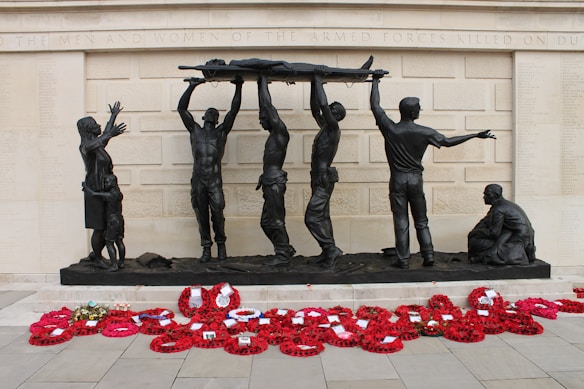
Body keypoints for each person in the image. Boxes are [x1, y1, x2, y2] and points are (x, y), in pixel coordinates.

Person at [370, 72, 496, 269]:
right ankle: (428, 255)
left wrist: (375, 81)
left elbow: (375, 107)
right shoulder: (424, 132)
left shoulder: (391, 129)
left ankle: (403, 260)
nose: (420, 110)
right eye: (418, 108)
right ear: (413, 113)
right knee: (421, 220)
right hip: (415, 180)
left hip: (397, 180)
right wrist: (474, 135)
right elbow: (448, 142)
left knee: (401, 221)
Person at [178, 77, 243, 263]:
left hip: (214, 180)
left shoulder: (221, 132)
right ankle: (206, 248)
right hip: (198, 179)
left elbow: (234, 110)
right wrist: (192, 86)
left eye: (215, 113)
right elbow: (181, 109)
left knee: (217, 214)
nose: (213, 113)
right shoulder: (194, 131)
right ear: (204, 117)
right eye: (210, 112)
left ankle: (221, 245)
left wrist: (238, 86)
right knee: (202, 215)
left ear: (217, 119)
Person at [305, 67, 346, 269]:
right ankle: (327, 252)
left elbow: (322, 104)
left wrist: (319, 80)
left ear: (335, 114)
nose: (326, 109)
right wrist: (314, 83)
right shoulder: (324, 126)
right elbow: (315, 108)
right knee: (323, 216)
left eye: (330, 109)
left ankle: (331, 249)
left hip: (323, 177)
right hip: (318, 176)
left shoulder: (333, 127)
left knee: (311, 217)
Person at [78, 102, 126, 270]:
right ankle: (97, 257)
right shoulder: (86, 147)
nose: (98, 126)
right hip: (94, 190)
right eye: (94, 125)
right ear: (88, 130)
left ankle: (96, 253)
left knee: (107, 225)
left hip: (104, 189)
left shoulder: (98, 147)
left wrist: (113, 116)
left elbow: (104, 135)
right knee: (99, 227)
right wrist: (110, 134)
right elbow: (100, 139)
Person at [256, 73, 296, 266]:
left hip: (275, 183)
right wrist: (259, 83)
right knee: (265, 222)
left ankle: (282, 254)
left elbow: (268, 107)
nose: (260, 121)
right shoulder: (273, 134)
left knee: (275, 220)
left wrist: (263, 81)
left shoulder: (280, 132)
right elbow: (264, 108)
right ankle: (285, 248)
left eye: (262, 118)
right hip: (268, 181)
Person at [468, 184, 536, 265]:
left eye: (487, 195)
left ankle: (483, 257)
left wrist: (475, 233)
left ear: (495, 195)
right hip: (522, 238)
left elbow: (494, 233)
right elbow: (486, 221)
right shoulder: (506, 205)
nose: (484, 197)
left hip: (518, 242)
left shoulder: (498, 209)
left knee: (476, 243)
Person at [82, 174, 126, 271]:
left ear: (113, 183)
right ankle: (121, 262)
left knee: (109, 243)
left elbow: (94, 194)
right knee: (119, 241)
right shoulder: (119, 193)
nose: (105, 184)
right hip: (119, 219)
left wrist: (86, 187)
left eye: (107, 182)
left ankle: (114, 265)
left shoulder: (110, 195)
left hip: (112, 221)